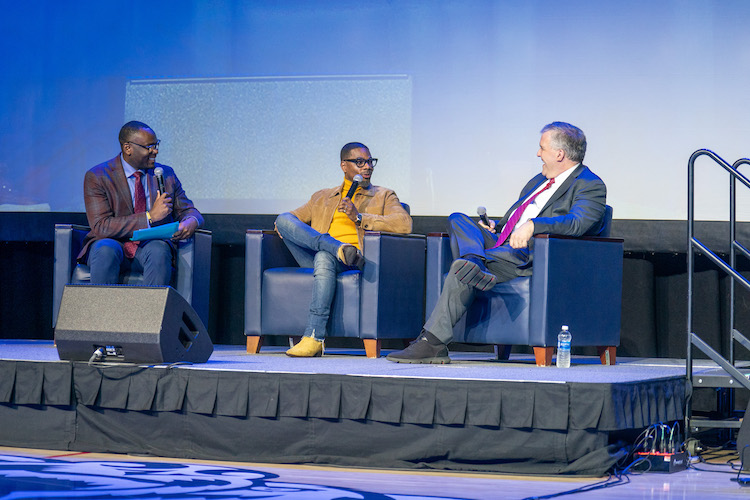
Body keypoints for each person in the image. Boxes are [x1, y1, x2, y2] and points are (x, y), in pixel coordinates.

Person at [387, 122, 607, 364]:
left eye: (541, 148)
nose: (537, 154)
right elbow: (516, 218)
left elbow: (578, 223)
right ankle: (474, 260)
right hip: (502, 245)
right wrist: (497, 228)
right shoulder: (538, 180)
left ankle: (432, 343)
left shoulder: (589, 184)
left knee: (461, 269)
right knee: (457, 219)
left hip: (529, 255)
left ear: (559, 154)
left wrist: (535, 225)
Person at [275, 142, 412, 357]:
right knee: (283, 219)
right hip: (323, 256)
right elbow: (288, 220)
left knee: (323, 256)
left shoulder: (383, 195)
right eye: (360, 162)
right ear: (344, 166)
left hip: (355, 261)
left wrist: (359, 217)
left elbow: (404, 223)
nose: (367, 167)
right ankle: (336, 247)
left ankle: (313, 337)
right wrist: (289, 229)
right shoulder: (322, 197)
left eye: (370, 161)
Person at [78, 121, 203, 286]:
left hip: (148, 248)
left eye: (156, 145)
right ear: (128, 148)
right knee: (105, 249)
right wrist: (149, 217)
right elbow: (101, 226)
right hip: (113, 244)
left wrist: (190, 222)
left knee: (159, 249)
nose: (155, 151)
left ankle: (152, 312)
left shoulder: (166, 174)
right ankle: (103, 311)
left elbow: (190, 211)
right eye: (149, 147)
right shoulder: (98, 176)